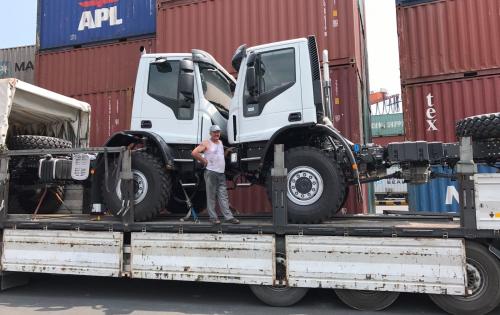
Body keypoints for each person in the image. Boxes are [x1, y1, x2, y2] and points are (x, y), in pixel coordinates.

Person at [191, 125, 240, 224]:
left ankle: (229, 217)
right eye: (214, 132)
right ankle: (213, 218)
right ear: (210, 133)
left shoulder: (220, 142)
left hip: (221, 173)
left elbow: (220, 156)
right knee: (211, 196)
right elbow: (194, 153)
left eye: (218, 132)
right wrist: (204, 160)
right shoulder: (206, 142)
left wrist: (226, 151)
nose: (217, 134)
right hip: (211, 172)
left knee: (223, 196)